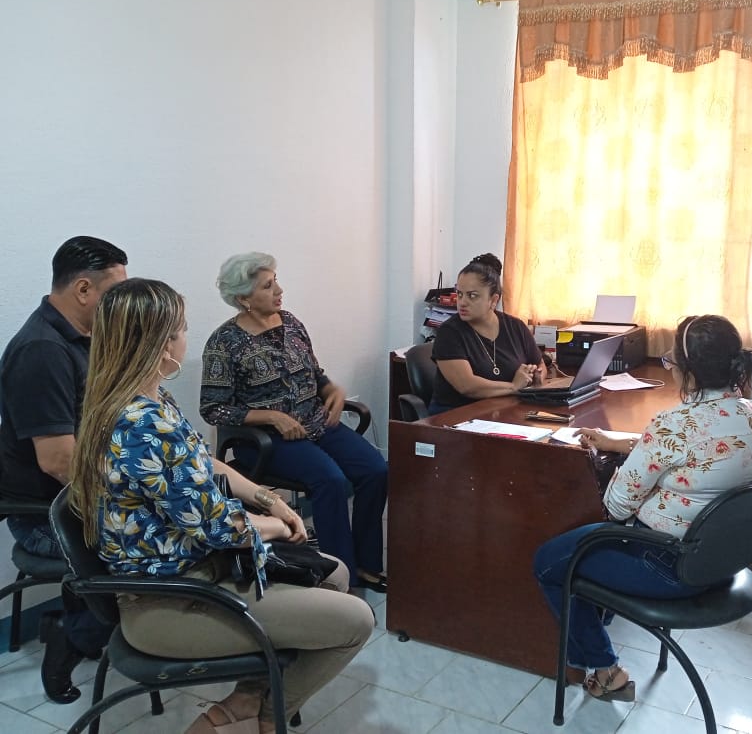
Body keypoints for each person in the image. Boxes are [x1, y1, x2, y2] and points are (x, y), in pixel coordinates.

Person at [69, 278, 374, 734]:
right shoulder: (142, 425)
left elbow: (201, 459)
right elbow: (218, 528)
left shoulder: (146, 401)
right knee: (356, 621)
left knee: (334, 573)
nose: (185, 337)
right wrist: (279, 526)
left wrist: (266, 499)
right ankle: (265, 715)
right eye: (181, 329)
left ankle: (245, 700)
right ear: (162, 346)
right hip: (169, 602)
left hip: (197, 571)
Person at [533, 315, 752, 702]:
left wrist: (636, 460)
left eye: (671, 360)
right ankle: (600, 628)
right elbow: (698, 454)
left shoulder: (674, 424)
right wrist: (629, 445)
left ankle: (604, 669)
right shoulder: (751, 413)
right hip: (722, 559)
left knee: (549, 562)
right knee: (585, 549)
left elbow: (616, 505)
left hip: (666, 566)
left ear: (688, 369)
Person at [200, 253, 388, 592]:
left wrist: (331, 390)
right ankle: (338, 576)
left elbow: (315, 373)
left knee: (376, 470)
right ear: (243, 298)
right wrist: (271, 416)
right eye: (267, 286)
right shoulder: (223, 343)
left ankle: (366, 563)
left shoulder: (291, 323)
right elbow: (213, 409)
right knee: (331, 480)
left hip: (316, 423)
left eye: (276, 281)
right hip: (266, 440)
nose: (279, 290)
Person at [0, 235, 127, 703]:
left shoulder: (84, 339)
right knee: (148, 545)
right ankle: (71, 637)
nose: (120, 305)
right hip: (47, 515)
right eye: (114, 293)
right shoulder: (42, 351)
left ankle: (88, 623)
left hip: (80, 500)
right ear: (83, 289)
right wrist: (132, 501)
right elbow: (59, 463)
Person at [429, 253, 546, 413]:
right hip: (457, 415)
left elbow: (540, 364)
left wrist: (535, 377)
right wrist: (514, 386)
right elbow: (467, 386)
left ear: (494, 300)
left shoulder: (515, 326)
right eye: (460, 294)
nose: (462, 302)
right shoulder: (449, 332)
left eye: (472, 296)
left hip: (503, 410)